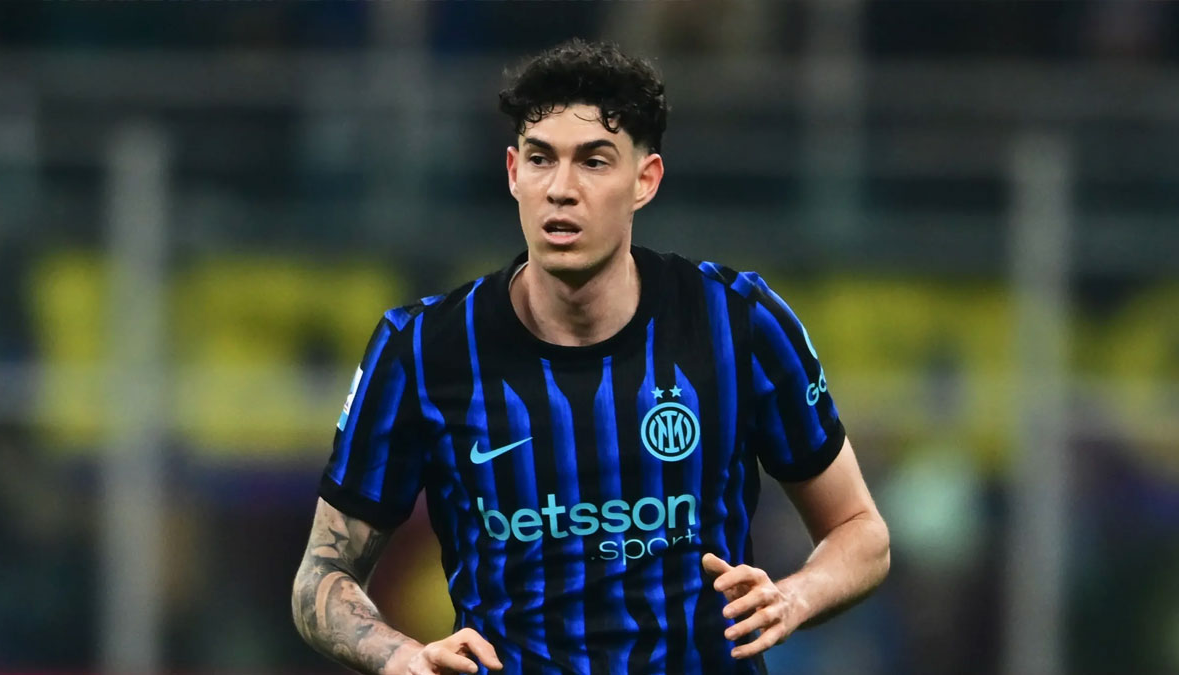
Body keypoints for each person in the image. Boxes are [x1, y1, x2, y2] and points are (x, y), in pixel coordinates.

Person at [292, 39, 889, 675]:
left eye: (594, 161)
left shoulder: (737, 322)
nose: (561, 189)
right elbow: (320, 577)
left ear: (644, 180)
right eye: (540, 159)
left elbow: (861, 532)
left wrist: (795, 597)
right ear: (513, 173)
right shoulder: (423, 348)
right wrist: (402, 657)